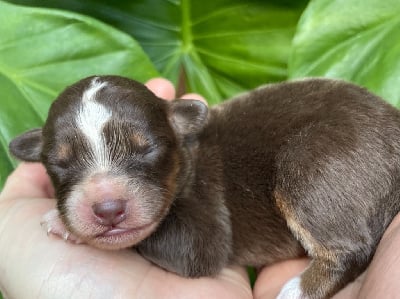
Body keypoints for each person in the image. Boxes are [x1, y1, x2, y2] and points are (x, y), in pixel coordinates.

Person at [0, 78, 399, 299]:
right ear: (40, 155)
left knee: (310, 167)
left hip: (343, 137)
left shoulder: (200, 180)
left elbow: (198, 257)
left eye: (144, 151)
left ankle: (337, 261)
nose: (106, 200)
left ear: (181, 128)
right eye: (66, 163)